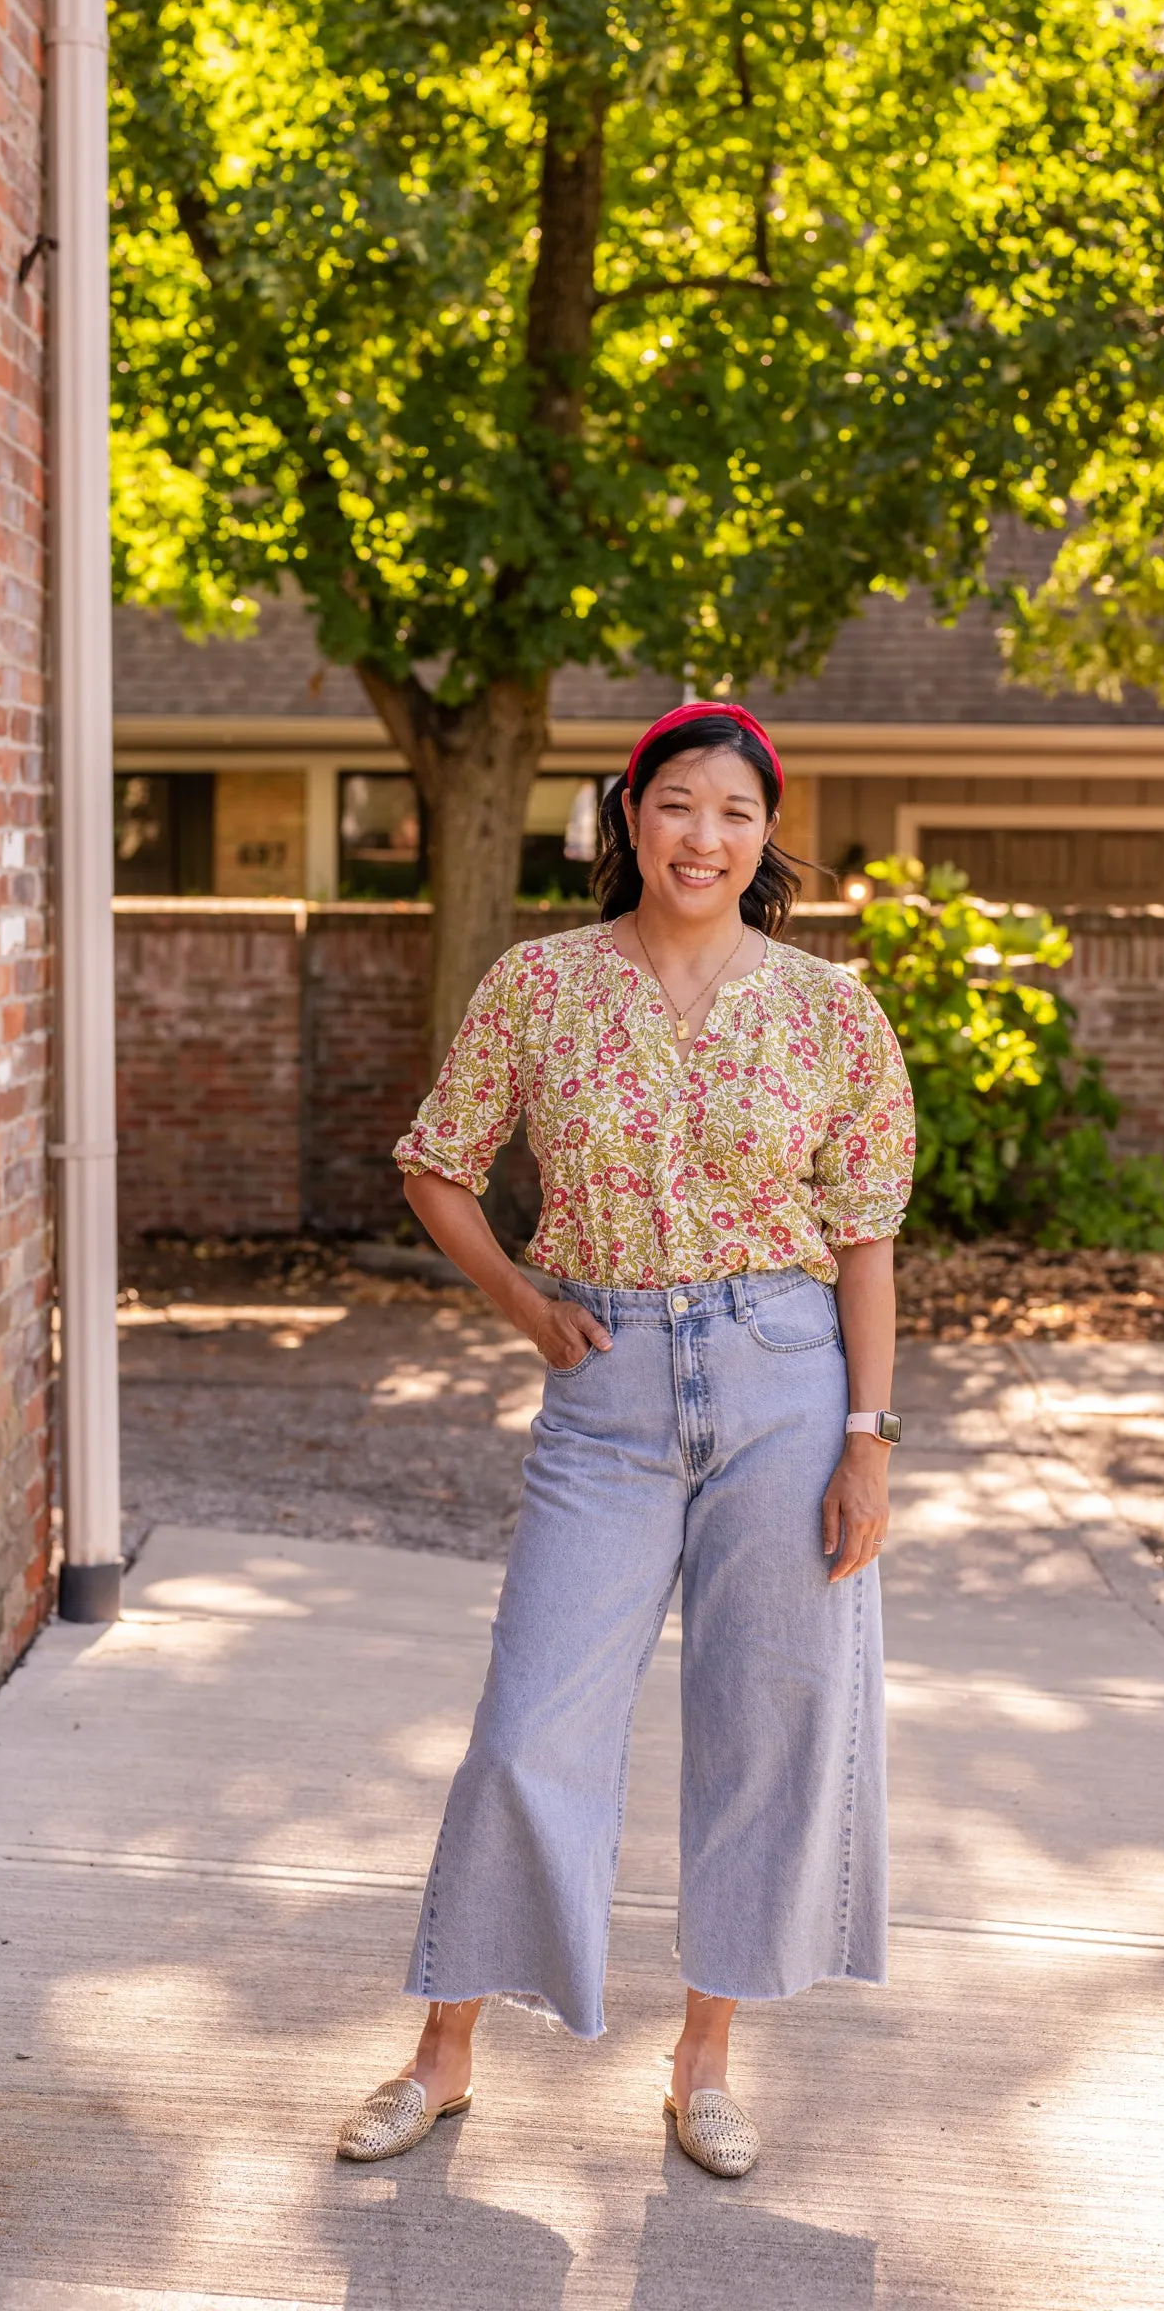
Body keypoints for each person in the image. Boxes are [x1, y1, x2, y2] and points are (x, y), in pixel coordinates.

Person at [337, 702, 914, 2178]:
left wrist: (868, 1439)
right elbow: (435, 1164)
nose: (700, 837)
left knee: (764, 1728)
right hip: (604, 1387)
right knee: (531, 1721)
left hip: (785, 1379)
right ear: (627, 822)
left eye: (731, 811)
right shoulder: (537, 988)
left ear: (762, 835)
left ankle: (704, 2061)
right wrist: (525, 1302)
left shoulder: (830, 1012)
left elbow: (863, 1247)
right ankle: (443, 2053)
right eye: (673, 806)